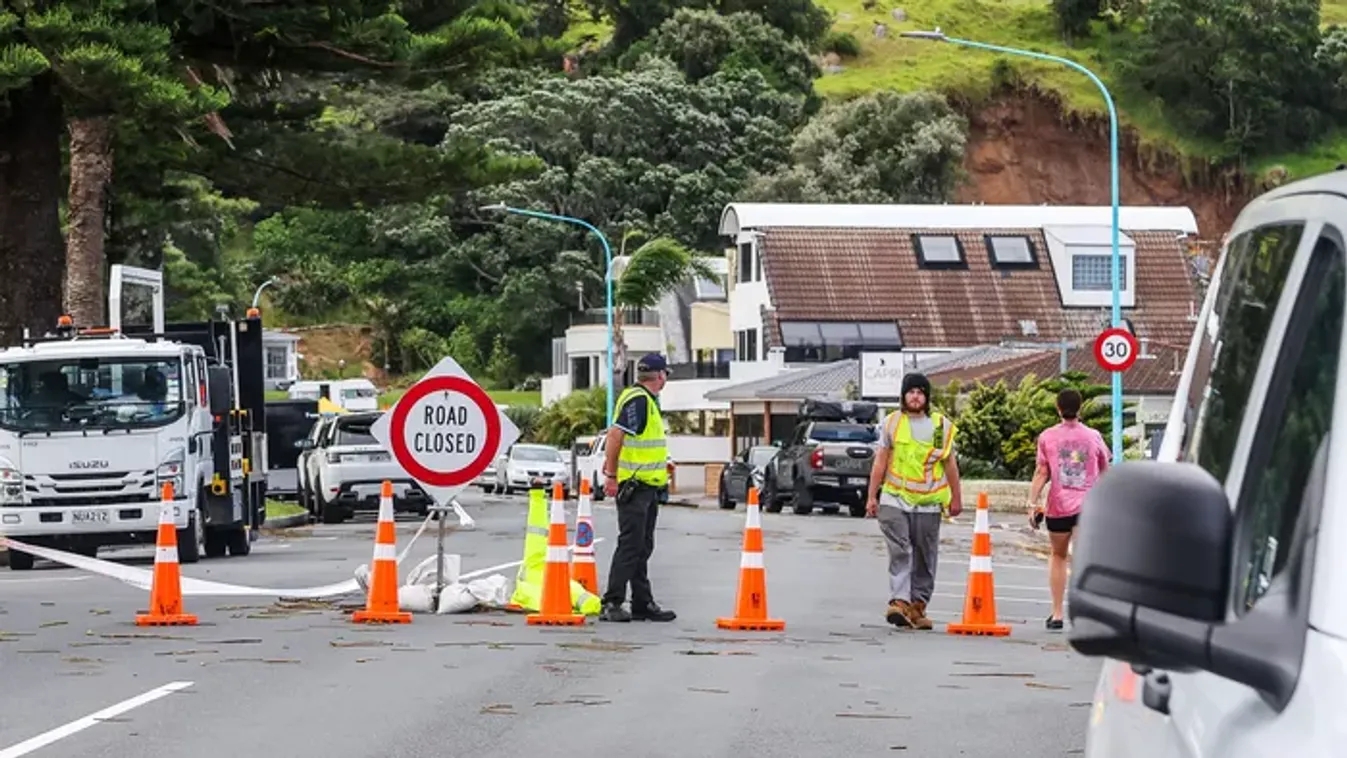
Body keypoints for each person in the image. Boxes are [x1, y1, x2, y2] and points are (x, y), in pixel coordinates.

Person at [866, 372, 962, 630]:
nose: (916, 396)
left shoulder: (940, 426)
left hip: (928, 502)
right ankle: (899, 601)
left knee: (924, 554)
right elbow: (880, 461)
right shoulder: (892, 423)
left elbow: (950, 465)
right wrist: (872, 496)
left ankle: (917, 605)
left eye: (920, 392)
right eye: (911, 392)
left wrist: (956, 497)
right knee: (900, 549)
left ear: (927, 397)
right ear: (903, 396)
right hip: (894, 498)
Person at [599, 353, 677, 623]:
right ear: (660, 376)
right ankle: (612, 602)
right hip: (634, 486)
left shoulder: (646, 401)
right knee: (631, 545)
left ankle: (642, 602)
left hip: (647, 486)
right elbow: (615, 434)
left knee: (642, 546)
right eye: (665, 375)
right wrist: (611, 475)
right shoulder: (639, 400)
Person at [1025, 388, 1110, 631]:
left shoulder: (1047, 437)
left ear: (1058, 408)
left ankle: (1057, 613)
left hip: (1058, 506)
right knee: (1084, 559)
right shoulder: (1093, 436)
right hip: (1088, 507)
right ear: (1081, 407)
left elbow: (1042, 472)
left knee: (1058, 556)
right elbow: (1105, 471)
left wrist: (1032, 503)